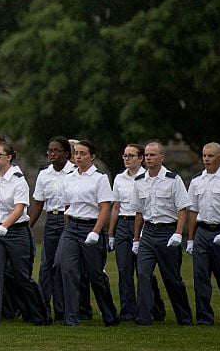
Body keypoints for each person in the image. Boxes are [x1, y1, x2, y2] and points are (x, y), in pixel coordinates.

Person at [0, 140, 50, 326]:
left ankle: (40, 314)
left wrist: (5, 225)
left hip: (17, 232)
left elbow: (19, 208)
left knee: (21, 277)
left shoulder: (18, 180)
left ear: (9, 157)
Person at [53, 139, 119, 326]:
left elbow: (105, 207)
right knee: (64, 268)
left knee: (94, 274)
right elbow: (67, 206)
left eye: (83, 153)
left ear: (92, 156)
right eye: (76, 153)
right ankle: (71, 318)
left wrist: (96, 231)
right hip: (71, 228)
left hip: (91, 227)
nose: (78, 157)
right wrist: (67, 229)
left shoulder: (99, 178)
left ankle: (110, 316)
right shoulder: (69, 177)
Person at [133, 141, 193, 326]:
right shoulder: (139, 181)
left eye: (152, 155)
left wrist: (178, 233)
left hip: (168, 232)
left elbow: (182, 208)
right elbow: (139, 212)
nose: (148, 158)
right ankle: (144, 318)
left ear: (162, 157)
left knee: (171, 278)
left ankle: (184, 317)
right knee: (143, 274)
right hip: (148, 233)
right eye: (146, 155)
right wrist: (136, 238)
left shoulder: (173, 180)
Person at [108, 143, 165, 322]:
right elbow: (116, 207)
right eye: (125, 155)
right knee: (124, 269)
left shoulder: (147, 177)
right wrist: (111, 233)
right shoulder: (119, 178)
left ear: (141, 158)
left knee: (143, 271)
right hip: (123, 223)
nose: (127, 159)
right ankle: (128, 311)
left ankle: (154, 308)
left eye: (131, 155)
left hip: (141, 223)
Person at [186, 142, 220, 325]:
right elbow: (193, 211)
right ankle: (204, 318)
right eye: (204, 155)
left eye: (210, 156)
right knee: (200, 276)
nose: (206, 159)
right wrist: (190, 239)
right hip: (202, 232)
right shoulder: (196, 180)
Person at [28, 136, 75, 321]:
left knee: (61, 264)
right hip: (51, 220)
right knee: (46, 266)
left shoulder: (74, 173)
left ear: (66, 153)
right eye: (50, 151)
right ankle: (43, 309)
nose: (52, 154)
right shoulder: (44, 174)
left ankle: (63, 310)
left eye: (57, 151)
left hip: (69, 220)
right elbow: (38, 204)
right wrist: (27, 227)